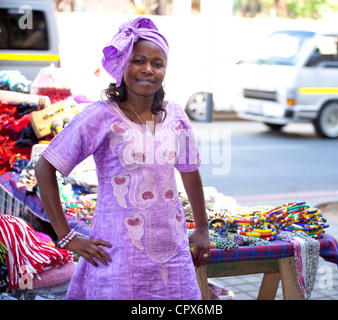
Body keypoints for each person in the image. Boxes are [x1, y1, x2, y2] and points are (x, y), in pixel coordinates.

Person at [34, 17, 211, 300]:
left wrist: (201, 227)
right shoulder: (100, 116)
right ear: (122, 65)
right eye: (138, 60)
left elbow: (190, 171)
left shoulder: (175, 115)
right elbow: (45, 166)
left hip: (173, 252)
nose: (148, 70)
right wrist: (66, 236)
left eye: (157, 63)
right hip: (117, 256)